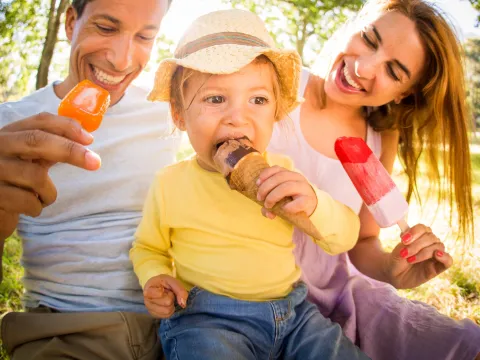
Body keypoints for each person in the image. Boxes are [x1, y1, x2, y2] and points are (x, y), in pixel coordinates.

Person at [130, 9, 369, 360]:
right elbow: (147, 248)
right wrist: (155, 277)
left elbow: (345, 237)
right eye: (215, 99)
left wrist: (314, 203)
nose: (237, 117)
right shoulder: (170, 183)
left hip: (293, 315)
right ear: (180, 115)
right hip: (207, 319)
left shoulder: (284, 173)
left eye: (258, 100)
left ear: (274, 112)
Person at [267, 0, 480, 359]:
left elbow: (363, 241)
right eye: (368, 38)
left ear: (405, 94)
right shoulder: (274, 81)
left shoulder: (380, 136)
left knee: (459, 345)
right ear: (356, 25)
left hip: (339, 293)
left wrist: (391, 270)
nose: (363, 67)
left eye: (393, 72)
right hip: (254, 283)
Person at [0, 0, 176, 359]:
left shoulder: (168, 114)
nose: (122, 60)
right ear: (69, 22)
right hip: (68, 330)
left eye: (144, 36)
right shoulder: (10, 125)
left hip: (177, 323)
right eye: (106, 28)